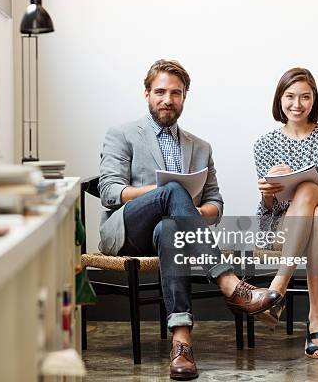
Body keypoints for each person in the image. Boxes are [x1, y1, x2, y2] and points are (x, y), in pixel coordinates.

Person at [99, 59, 282, 380]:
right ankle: (230, 284)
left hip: (169, 234)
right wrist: (162, 193)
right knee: (170, 191)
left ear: (185, 97)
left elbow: (215, 204)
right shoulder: (123, 134)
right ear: (146, 94)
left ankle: (181, 344)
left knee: (171, 226)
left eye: (176, 93)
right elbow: (110, 191)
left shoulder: (200, 147)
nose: (167, 99)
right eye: (160, 92)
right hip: (127, 230)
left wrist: (191, 212)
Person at [254, 67, 318, 359]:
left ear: (314, 100)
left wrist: (297, 178)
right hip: (283, 228)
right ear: (280, 99)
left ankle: (277, 289)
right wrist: (267, 192)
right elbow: (269, 208)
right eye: (290, 96)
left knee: (310, 194)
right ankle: (316, 318)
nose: (297, 104)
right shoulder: (264, 144)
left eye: (305, 97)